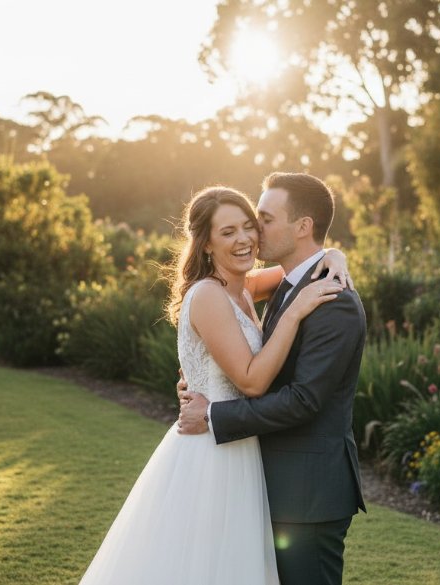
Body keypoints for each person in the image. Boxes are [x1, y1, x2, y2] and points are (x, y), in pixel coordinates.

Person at [77, 184, 350, 585]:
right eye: (227, 232)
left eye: (249, 226)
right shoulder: (208, 295)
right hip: (212, 452)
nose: (244, 239)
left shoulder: (244, 287)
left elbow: (304, 263)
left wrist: (336, 254)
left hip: (240, 445)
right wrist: (294, 314)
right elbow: (252, 382)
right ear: (205, 243)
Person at [178, 172, 367, 585]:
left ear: (302, 226)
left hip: (308, 492)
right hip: (265, 480)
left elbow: (303, 400)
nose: (253, 233)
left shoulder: (333, 302)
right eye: (238, 227)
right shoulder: (285, 285)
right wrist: (200, 381)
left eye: (261, 220)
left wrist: (212, 414)